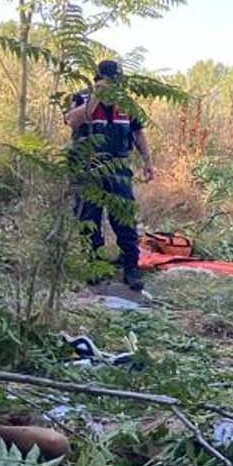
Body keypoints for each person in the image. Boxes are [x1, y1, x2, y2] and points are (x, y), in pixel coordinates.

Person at [65, 59, 156, 292]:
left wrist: (147, 161)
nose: (114, 86)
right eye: (109, 81)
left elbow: (137, 132)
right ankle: (94, 264)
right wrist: (97, 96)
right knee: (88, 216)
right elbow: (73, 120)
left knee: (123, 216)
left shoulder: (126, 103)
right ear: (98, 79)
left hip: (118, 167)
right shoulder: (82, 97)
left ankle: (130, 267)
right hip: (87, 167)